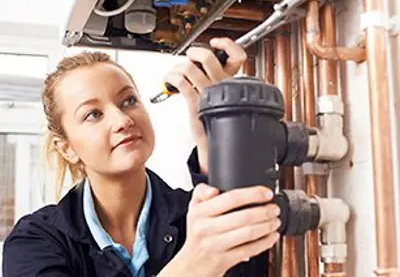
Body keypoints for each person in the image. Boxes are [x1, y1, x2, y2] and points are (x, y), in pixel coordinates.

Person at [2, 38, 281, 277]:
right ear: (67, 148)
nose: (122, 120)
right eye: (93, 115)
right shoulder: (35, 242)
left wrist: (215, 136)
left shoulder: (194, 217)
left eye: (128, 101)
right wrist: (195, 263)